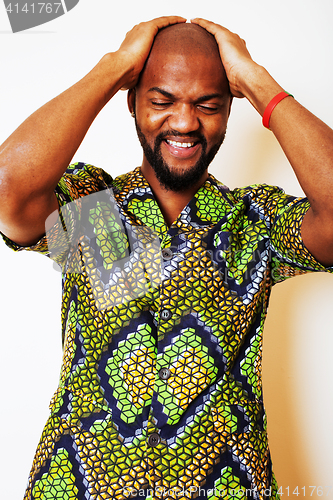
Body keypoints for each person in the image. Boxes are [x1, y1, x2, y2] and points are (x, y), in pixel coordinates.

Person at [0, 14, 332, 500]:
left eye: (207, 105)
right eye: (161, 100)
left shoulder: (255, 222)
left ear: (228, 111)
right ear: (132, 102)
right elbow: (9, 188)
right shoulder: (93, 210)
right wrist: (114, 69)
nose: (184, 122)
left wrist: (256, 81)